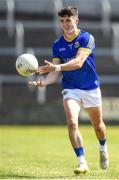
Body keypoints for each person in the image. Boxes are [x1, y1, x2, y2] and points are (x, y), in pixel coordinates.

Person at [28, 6, 109, 175]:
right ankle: (82, 162)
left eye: (68, 20)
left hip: (90, 88)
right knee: (72, 121)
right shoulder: (57, 44)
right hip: (71, 89)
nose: (65, 24)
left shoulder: (87, 38)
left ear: (76, 21)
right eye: (62, 20)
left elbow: (78, 62)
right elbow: (55, 74)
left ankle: (103, 147)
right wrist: (43, 82)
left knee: (98, 126)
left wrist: (56, 67)